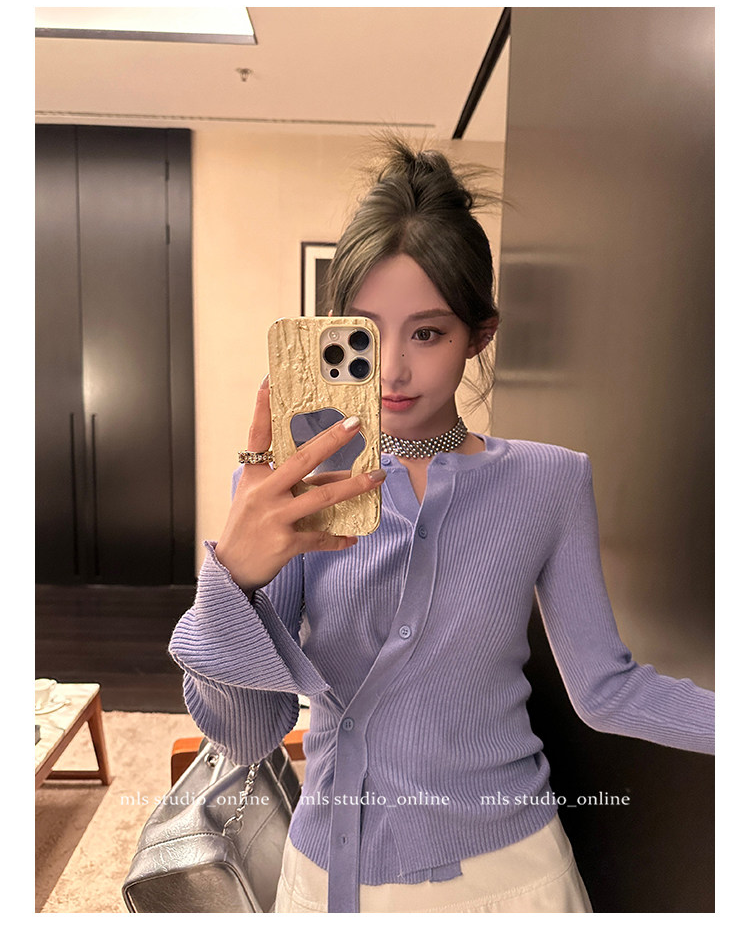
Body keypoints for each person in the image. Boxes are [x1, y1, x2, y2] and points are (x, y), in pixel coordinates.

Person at [168, 136, 714, 914]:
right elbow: (248, 734)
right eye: (366, 332)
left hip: (510, 878)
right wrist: (232, 580)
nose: (393, 368)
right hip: (328, 881)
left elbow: (606, 690)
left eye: (427, 333)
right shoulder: (290, 489)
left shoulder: (552, 481)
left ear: (478, 336)